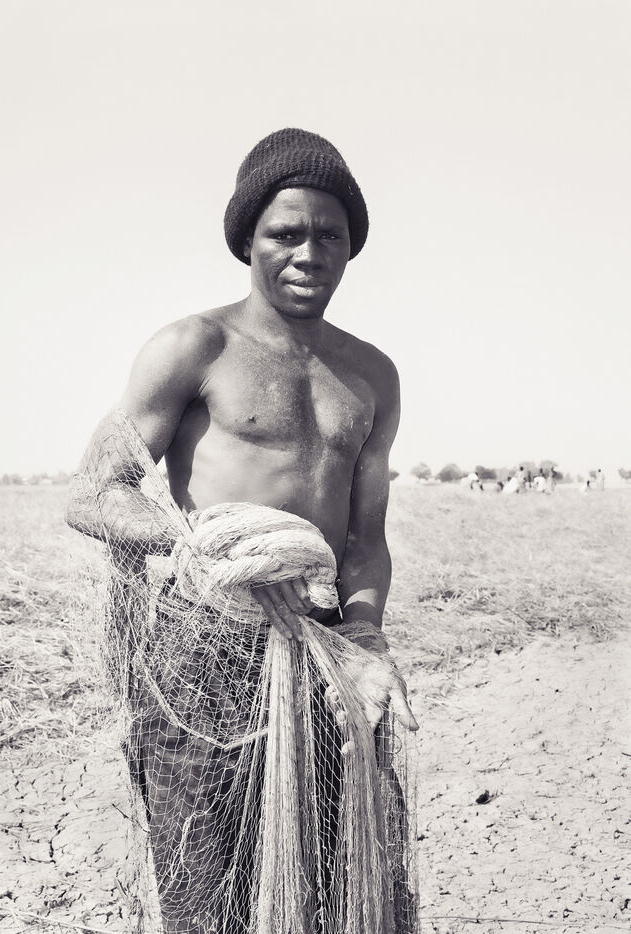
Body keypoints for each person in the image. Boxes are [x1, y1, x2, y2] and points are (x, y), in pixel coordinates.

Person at [67, 128, 419, 934]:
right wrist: (196, 543)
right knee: (205, 887)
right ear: (248, 240)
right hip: (202, 649)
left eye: (329, 235)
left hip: (321, 645)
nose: (308, 253)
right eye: (285, 233)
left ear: (350, 247)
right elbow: (92, 492)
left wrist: (366, 638)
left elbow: (365, 540)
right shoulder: (194, 346)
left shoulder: (371, 375)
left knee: (329, 880)